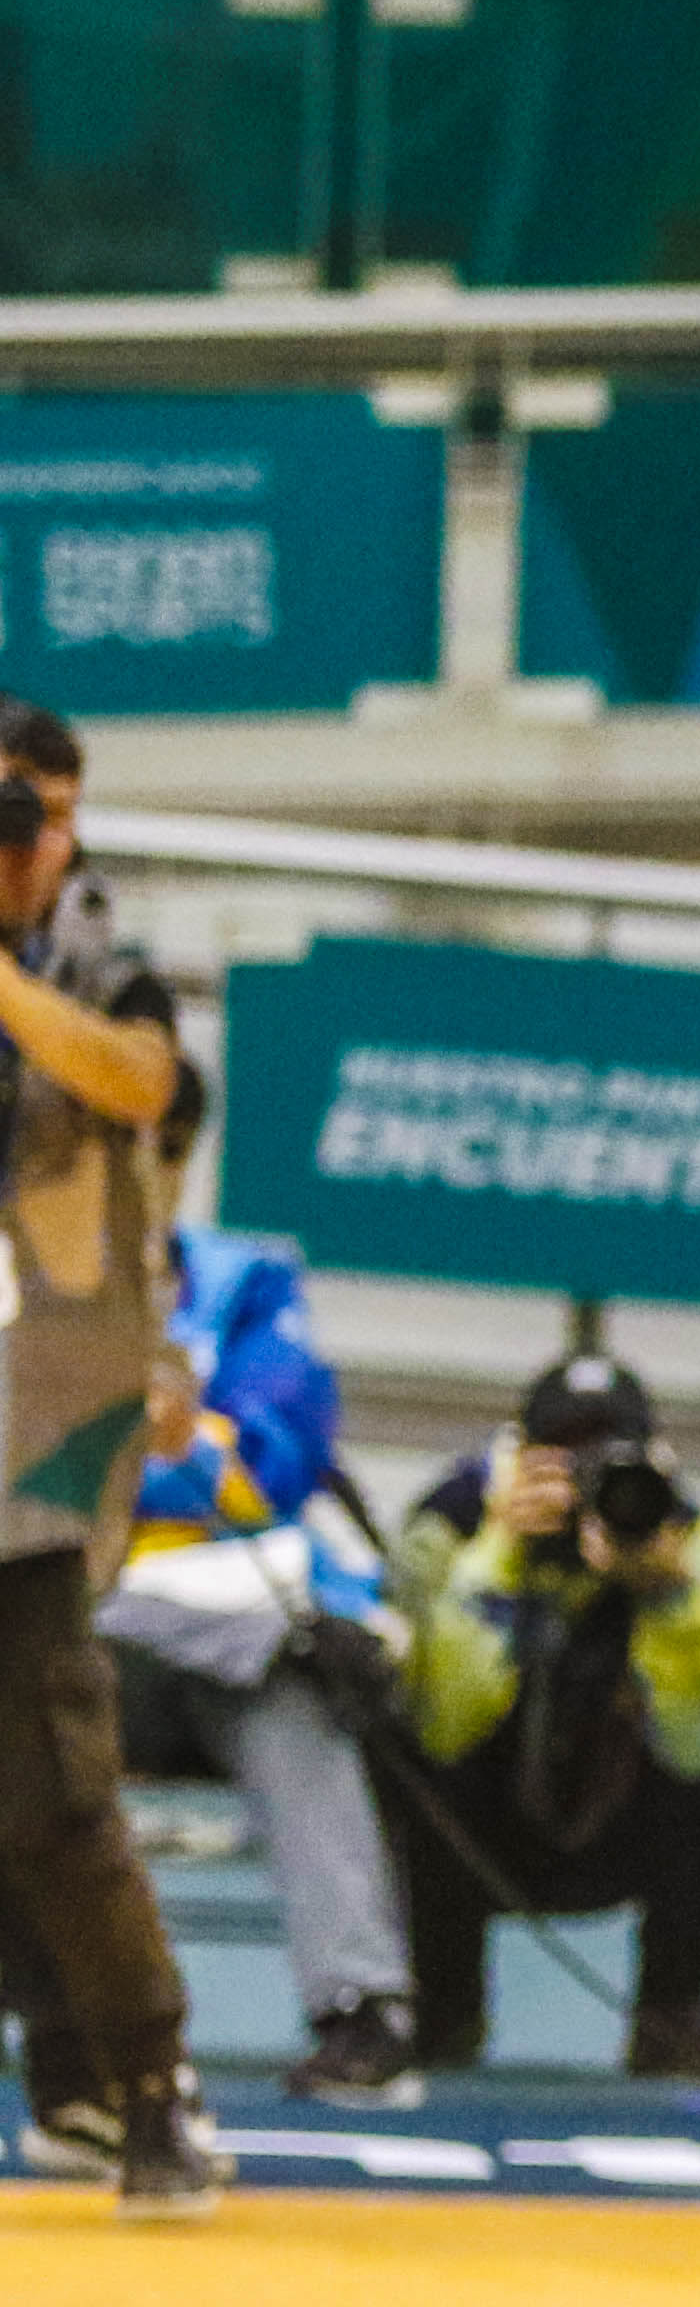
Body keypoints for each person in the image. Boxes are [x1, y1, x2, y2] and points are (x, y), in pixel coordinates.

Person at [0, 691, 224, 2217]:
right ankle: (77, 2073)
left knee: (57, 1774)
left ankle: (139, 2084)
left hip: (28, 1424)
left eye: (59, 814)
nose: (43, 843)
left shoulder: (94, 960)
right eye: (26, 810)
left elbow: (143, 1086)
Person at [101, 1069, 417, 2107]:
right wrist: (161, 1448)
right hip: (56, 1627)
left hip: (211, 1644)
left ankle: (362, 2008)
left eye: (162, 1149)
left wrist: (145, 1454)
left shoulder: (252, 1290)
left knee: (290, 1684)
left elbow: (275, 1470)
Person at [382, 1355, 700, 2084]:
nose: (586, 1476)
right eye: (562, 1453)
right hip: (485, 1831)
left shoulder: (688, 1537)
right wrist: (498, 1559)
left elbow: (699, 1750)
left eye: (608, 1453)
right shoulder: (452, 1526)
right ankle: (443, 2003)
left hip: (623, 1824)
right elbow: (443, 1729)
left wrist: (664, 1597)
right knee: (403, 1760)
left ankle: (672, 2010)